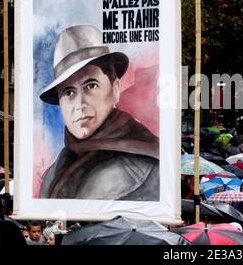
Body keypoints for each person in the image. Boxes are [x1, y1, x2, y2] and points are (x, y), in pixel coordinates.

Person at [39, 25, 159, 201]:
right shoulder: (55, 171)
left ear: (115, 89)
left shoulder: (150, 164)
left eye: (91, 85)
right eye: (69, 92)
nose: (79, 104)